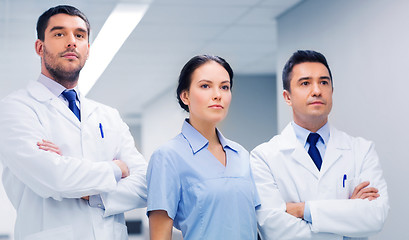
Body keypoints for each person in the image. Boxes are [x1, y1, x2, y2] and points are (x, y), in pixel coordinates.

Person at [0, 5, 147, 240]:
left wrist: (97, 196)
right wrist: (117, 169)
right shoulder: (15, 108)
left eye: (79, 35)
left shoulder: (108, 115)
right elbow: (54, 178)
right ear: (40, 47)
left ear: (87, 49)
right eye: (59, 34)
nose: (71, 42)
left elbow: (144, 184)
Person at [250, 50, 389, 239]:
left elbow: (375, 216)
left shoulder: (362, 150)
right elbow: (275, 230)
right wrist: (346, 223)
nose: (317, 90)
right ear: (287, 97)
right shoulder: (264, 157)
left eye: (324, 82)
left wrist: (302, 210)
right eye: (305, 83)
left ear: (332, 91)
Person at [146, 55, 260, 240]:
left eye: (225, 87)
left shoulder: (241, 155)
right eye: (205, 86)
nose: (218, 94)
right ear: (185, 96)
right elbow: (160, 236)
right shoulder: (168, 156)